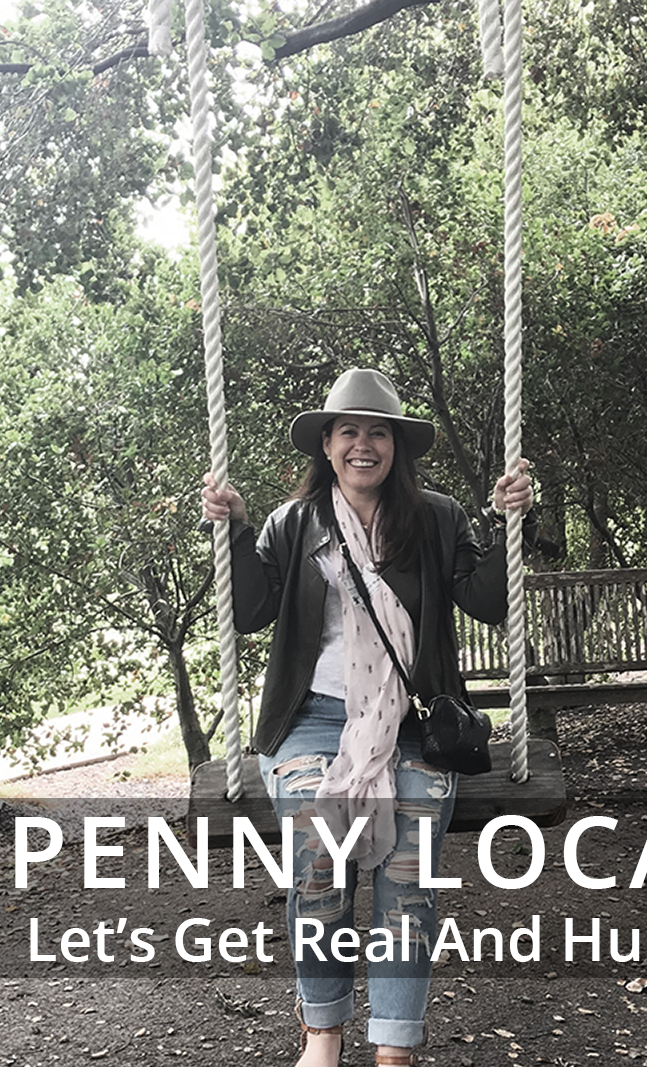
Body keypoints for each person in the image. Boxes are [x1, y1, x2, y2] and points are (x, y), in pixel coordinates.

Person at [200, 367, 533, 1067]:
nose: (363, 445)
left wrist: (513, 524)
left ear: (396, 447)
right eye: (348, 431)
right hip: (310, 721)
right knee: (320, 858)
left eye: (378, 432)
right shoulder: (293, 524)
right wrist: (233, 531)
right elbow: (252, 611)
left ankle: (394, 1047)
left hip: (412, 724)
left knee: (407, 869)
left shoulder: (436, 517)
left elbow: (489, 602)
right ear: (326, 446)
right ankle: (322, 1031)